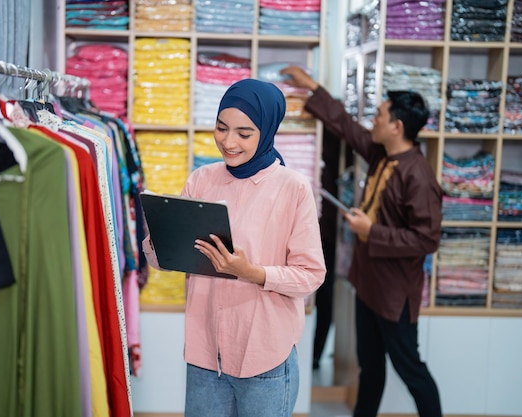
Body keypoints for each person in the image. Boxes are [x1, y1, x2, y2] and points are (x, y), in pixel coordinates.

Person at [142, 78, 326, 417]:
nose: (228, 142)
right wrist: (160, 232)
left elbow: (311, 275)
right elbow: (162, 260)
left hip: (265, 358)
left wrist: (252, 273)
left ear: (267, 130)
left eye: (244, 134)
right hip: (205, 354)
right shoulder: (202, 179)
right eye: (221, 128)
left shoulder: (294, 189)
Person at [280, 65, 443, 417]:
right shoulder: (383, 153)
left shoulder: (418, 175)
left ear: (397, 127)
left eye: (381, 115)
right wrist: (312, 86)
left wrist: (373, 231)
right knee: (370, 367)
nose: (374, 121)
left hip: (395, 291)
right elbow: (347, 127)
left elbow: (427, 239)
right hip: (368, 282)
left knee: (410, 369)